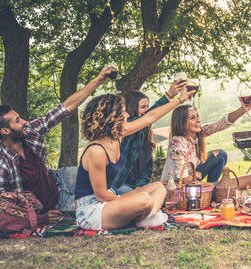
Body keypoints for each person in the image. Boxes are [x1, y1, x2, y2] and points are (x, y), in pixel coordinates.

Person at [0, 66, 114, 225]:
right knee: (100, 207)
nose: (25, 122)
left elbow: (66, 108)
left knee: (105, 175)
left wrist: (99, 79)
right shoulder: (0, 164)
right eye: (18, 121)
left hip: (59, 181)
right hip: (54, 206)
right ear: (5, 131)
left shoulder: (29, 131)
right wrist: (38, 219)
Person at [74, 89, 191, 230]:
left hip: (111, 199)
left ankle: (145, 217)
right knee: (144, 199)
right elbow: (101, 195)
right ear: (111, 117)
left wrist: (180, 99)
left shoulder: (118, 135)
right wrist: (127, 201)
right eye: (123, 112)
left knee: (159, 187)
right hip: (92, 210)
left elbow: (150, 117)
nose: (127, 115)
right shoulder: (96, 151)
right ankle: (145, 216)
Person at [111, 79, 187, 194]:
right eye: (143, 107)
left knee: (160, 190)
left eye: (147, 106)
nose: (146, 110)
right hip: (117, 186)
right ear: (131, 108)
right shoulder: (124, 130)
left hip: (134, 187)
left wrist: (139, 187)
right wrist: (171, 97)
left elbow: (146, 170)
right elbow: (149, 116)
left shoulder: (145, 135)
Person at [160, 98, 251, 184]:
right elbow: (183, 179)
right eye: (192, 118)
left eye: (197, 116)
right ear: (181, 123)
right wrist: (194, 176)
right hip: (177, 188)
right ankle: (212, 190)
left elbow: (221, 124)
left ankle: (211, 188)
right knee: (221, 186)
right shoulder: (178, 142)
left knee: (220, 155)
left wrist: (242, 110)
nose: (198, 120)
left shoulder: (197, 135)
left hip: (192, 178)